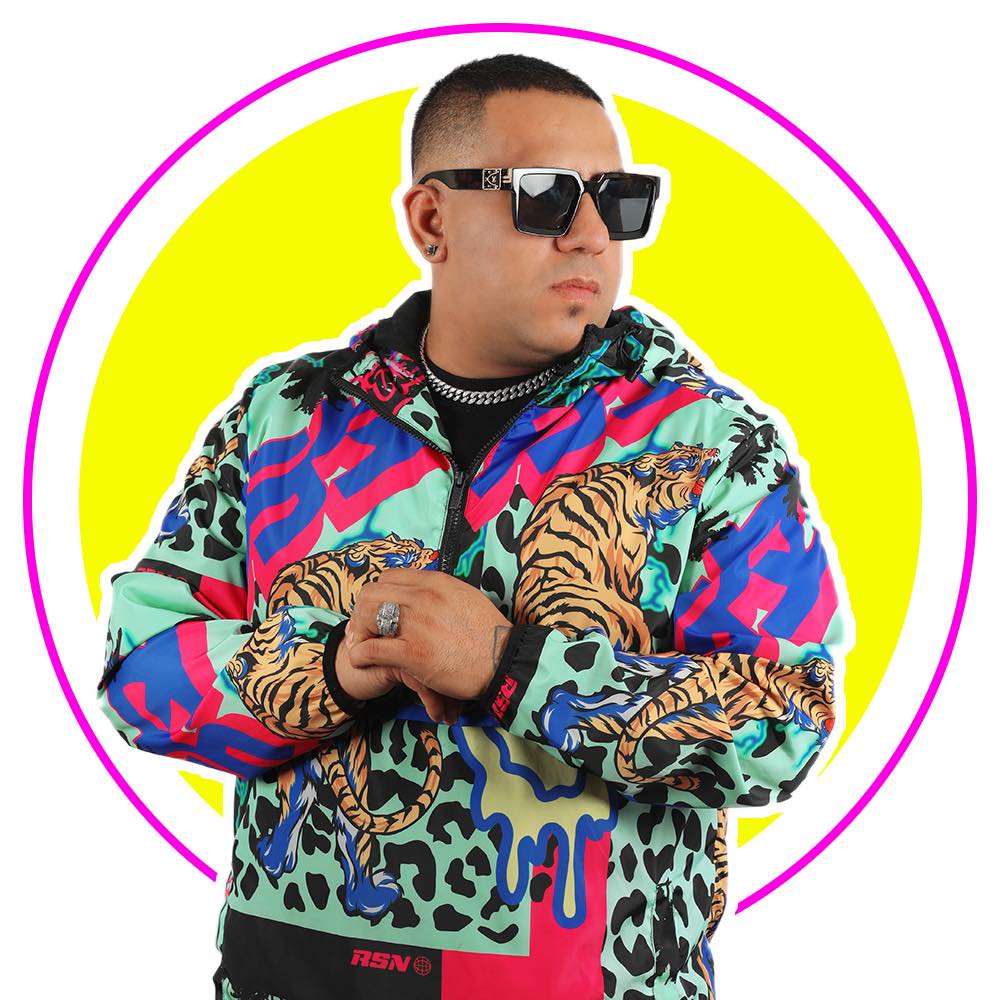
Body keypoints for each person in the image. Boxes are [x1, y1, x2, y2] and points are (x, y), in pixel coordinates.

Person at [96, 53, 850, 1000]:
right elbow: (139, 666)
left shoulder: (712, 442)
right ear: (431, 219)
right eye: (545, 195)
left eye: (618, 201)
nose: (590, 236)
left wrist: (511, 667)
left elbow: (788, 719)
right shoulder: (283, 415)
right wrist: (330, 668)